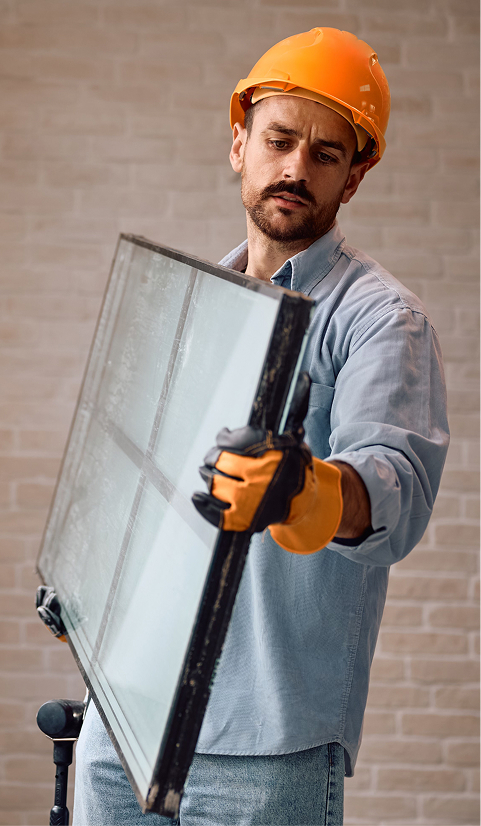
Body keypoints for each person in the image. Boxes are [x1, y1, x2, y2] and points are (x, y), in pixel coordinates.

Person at [65, 27, 449, 826]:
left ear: (355, 176)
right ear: (237, 141)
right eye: (278, 141)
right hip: (128, 716)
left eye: (325, 154)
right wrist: (86, 581)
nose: (294, 169)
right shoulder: (195, 304)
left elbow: (393, 486)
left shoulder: (381, 321)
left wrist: (305, 493)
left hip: (264, 751)